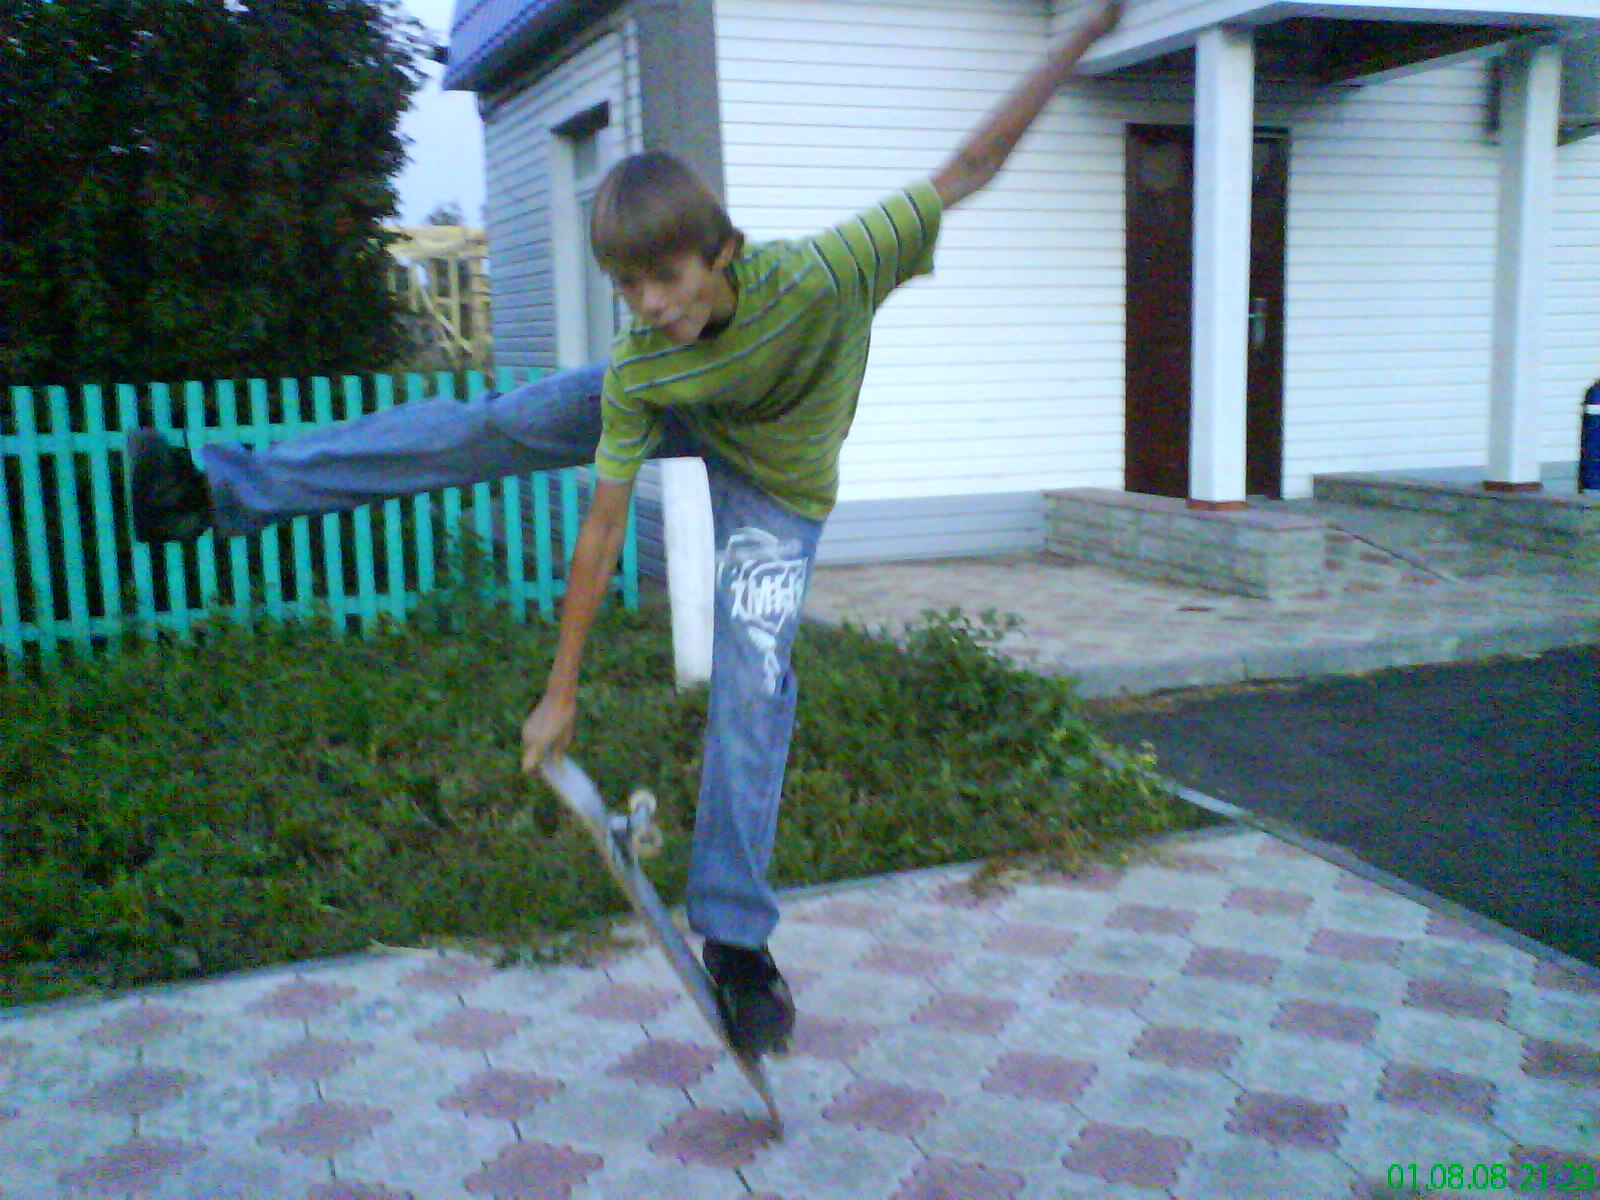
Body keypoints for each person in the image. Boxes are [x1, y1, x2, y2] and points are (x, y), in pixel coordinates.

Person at [127, 0, 1125, 1057]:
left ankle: (737, 945)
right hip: (684, 407)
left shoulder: (827, 272)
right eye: (628, 284)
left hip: (778, 486)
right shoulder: (645, 361)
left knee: (754, 675)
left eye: (668, 278)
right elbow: (602, 532)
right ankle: (212, 492)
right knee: (489, 425)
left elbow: (971, 164)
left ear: (721, 253)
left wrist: (1078, 31)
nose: (649, 303)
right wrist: (560, 691)